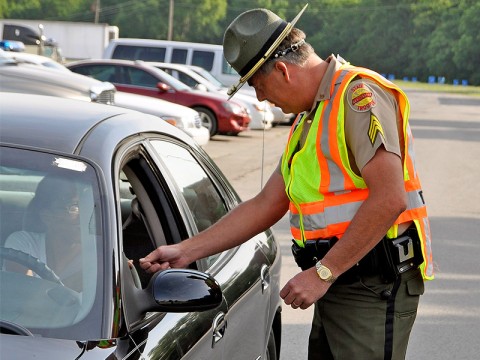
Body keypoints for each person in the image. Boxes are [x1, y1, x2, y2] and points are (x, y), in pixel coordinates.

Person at [140, 5, 434, 359]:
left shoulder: (358, 97)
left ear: (282, 69)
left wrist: (322, 273)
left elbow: (390, 199)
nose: (262, 99)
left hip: (372, 287)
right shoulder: (310, 116)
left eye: (259, 87)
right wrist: (186, 251)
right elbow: (266, 204)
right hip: (342, 281)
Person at [4, 175, 83, 291]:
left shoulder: (101, 255)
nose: (83, 216)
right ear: (47, 217)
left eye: (86, 206)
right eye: (74, 207)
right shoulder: (24, 244)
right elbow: (24, 296)